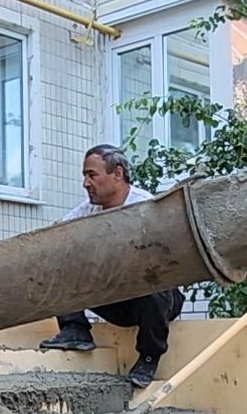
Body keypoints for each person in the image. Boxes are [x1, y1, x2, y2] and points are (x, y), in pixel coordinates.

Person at [38, 145, 184, 388]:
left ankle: (149, 357)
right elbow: (56, 234)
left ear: (117, 174)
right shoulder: (88, 210)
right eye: (84, 176)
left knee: (154, 279)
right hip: (116, 297)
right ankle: (75, 330)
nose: (85, 183)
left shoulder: (147, 206)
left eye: (91, 175)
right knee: (59, 253)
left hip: (155, 299)